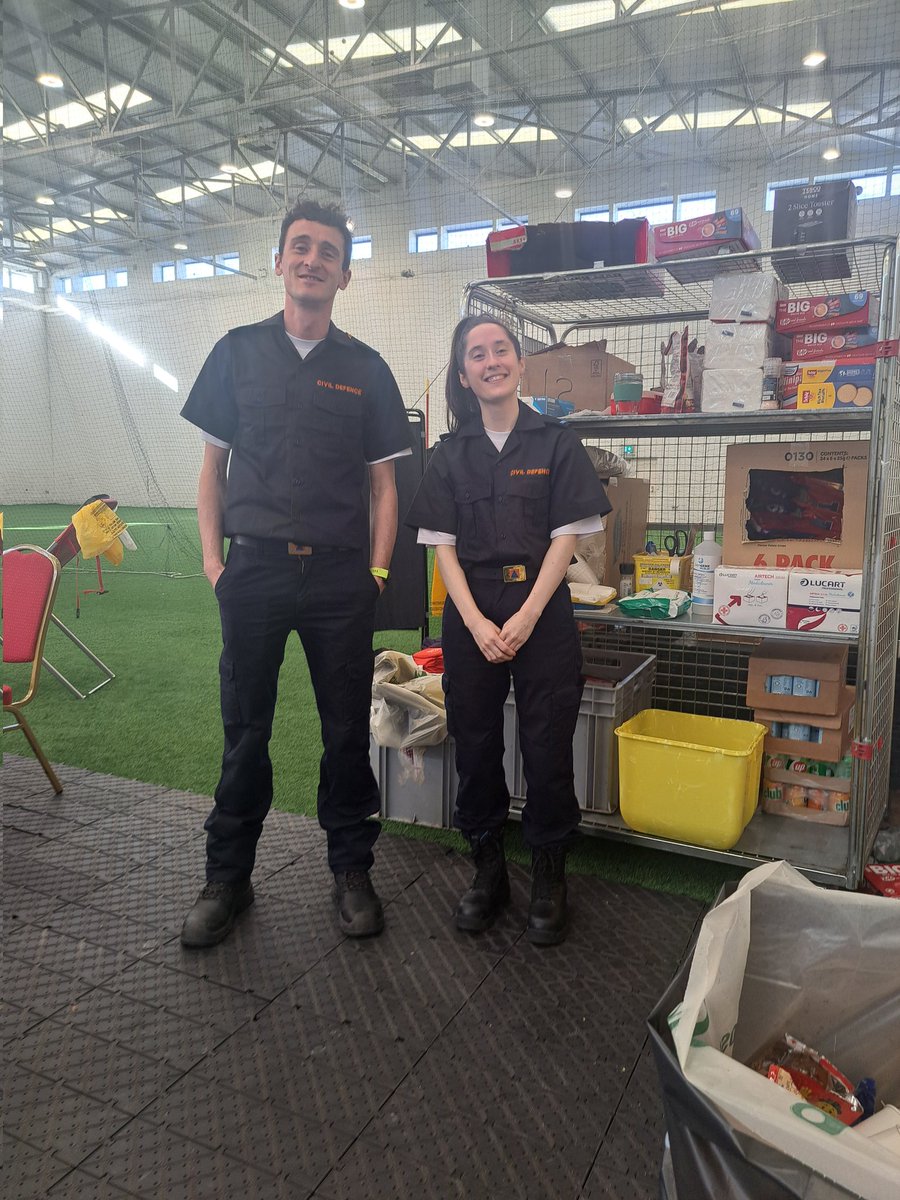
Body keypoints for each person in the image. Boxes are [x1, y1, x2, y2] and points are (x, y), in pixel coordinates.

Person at [179, 198, 412, 947]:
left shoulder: (367, 370)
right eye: (300, 246)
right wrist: (216, 564)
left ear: (345, 275)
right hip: (252, 575)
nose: (312, 259)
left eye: (328, 251)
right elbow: (212, 469)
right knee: (245, 731)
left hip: (342, 583)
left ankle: (351, 872)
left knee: (346, 732)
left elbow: (385, 485)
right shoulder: (235, 353)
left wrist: (376, 572)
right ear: (280, 261)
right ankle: (228, 880)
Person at [406, 316, 610, 946]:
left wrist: (523, 618)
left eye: (501, 350)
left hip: (540, 605)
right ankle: (488, 869)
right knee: (474, 743)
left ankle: (549, 874)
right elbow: (442, 548)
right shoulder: (449, 454)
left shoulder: (555, 443)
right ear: (464, 375)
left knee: (548, 743)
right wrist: (474, 620)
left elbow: (567, 537)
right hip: (470, 608)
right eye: (476, 354)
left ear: (520, 363)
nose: (490, 361)